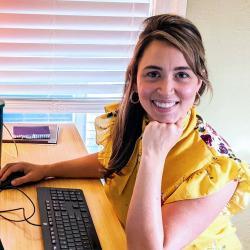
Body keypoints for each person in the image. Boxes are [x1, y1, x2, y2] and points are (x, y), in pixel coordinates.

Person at [0, 14, 249, 249]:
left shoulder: (217, 168)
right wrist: (46, 170)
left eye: (181, 75)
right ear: (134, 79)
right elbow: (111, 162)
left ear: (199, 82)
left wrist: (153, 155)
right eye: (153, 73)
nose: (165, 89)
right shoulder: (139, 119)